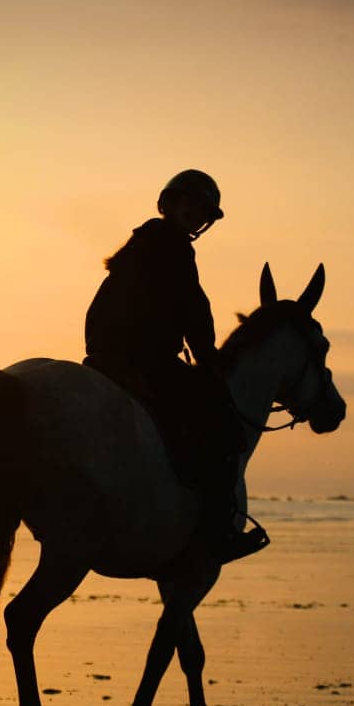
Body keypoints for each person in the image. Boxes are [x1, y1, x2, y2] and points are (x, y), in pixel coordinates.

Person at [84, 169, 262, 570]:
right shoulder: (175, 248)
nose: (195, 216)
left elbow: (104, 308)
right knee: (224, 427)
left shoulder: (139, 244)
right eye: (191, 206)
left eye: (202, 212)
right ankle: (218, 534)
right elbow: (194, 310)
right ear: (171, 203)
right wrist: (209, 362)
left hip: (106, 357)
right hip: (143, 361)